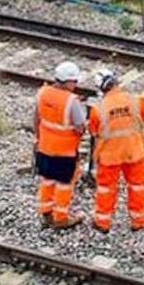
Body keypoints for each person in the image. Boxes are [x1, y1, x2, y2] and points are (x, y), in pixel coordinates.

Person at [89, 68, 144, 232]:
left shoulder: (98, 109)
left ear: (101, 89)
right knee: (137, 187)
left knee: (106, 189)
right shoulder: (137, 101)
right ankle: (138, 222)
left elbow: (94, 132)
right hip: (134, 152)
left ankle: (102, 223)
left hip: (109, 156)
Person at [34, 62, 88, 229]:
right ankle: (61, 218)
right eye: (75, 82)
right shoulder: (72, 101)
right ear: (68, 81)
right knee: (64, 185)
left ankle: (46, 213)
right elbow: (80, 128)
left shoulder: (42, 93)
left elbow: (36, 119)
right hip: (65, 153)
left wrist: (38, 139)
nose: (76, 85)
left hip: (44, 148)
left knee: (47, 181)